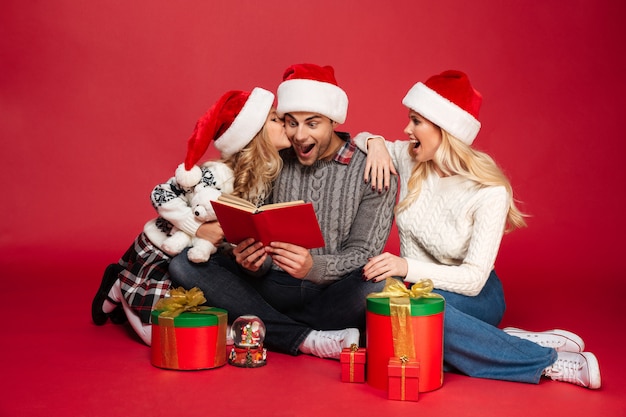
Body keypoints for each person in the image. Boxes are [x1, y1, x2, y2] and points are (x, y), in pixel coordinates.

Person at [356, 70, 601, 388]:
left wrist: (405, 266)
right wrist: (375, 143)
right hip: (419, 289)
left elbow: (473, 280)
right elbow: (358, 138)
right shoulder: (410, 157)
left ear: (443, 129)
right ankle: (494, 341)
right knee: (401, 319)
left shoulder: (489, 192)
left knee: (416, 316)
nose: (406, 129)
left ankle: (545, 361)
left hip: (476, 296)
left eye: (416, 121)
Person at [169, 63, 398, 359]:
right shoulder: (277, 160)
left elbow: (364, 253)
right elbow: (258, 226)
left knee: (379, 284)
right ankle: (309, 338)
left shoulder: (374, 168)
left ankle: (266, 326)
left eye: (312, 124)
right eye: (291, 122)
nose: (300, 136)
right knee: (183, 265)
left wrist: (313, 267)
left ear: (333, 121)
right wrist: (251, 261)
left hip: (330, 291)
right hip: (270, 286)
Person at [91, 87, 291, 345]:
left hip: (195, 261)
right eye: (274, 119)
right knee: (161, 338)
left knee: (208, 327)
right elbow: (160, 193)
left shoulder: (262, 179)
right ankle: (121, 283)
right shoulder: (217, 173)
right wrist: (196, 229)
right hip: (161, 254)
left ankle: (126, 293)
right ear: (254, 134)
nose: (285, 122)